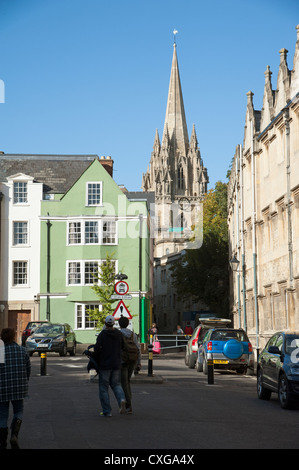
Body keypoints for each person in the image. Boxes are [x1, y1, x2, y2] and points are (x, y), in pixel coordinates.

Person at [0, 328, 31, 449]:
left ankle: (2, 441)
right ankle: (14, 435)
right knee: (18, 411)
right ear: (13, 337)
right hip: (19, 388)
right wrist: (24, 383)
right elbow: (27, 370)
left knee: (2, 415)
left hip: (2, 388)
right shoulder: (22, 351)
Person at [93, 315, 126, 417]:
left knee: (103, 387)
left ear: (105, 323)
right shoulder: (119, 334)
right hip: (116, 363)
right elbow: (123, 346)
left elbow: (97, 349)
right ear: (113, 324)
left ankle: (107, 411)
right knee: (116, 384)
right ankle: (121, 399)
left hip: (105, 364)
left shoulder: (102, 334)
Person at [118, 316, 141, 414]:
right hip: (132, 360)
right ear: (128, 324)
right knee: (127, 381)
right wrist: (139, 362)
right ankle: (128, 400)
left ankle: (128, 405)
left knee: (124, 383)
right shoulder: (133, 334)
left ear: (119, 324)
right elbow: (138, 348)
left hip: (123, 361)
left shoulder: (118, 334)